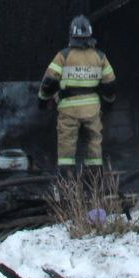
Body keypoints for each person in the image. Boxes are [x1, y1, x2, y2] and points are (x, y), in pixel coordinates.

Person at [38, 15, 117, 172]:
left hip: (69, 109)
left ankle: (68, 186)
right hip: (92, 109)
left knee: (66, 148)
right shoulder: (100, 56)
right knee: (93, 144)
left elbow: (48, 83)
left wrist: (42, 100)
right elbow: (110, 85)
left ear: (71, 36)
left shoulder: (63, 56)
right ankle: (93, 184)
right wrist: (108, 103)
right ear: (90, 35)